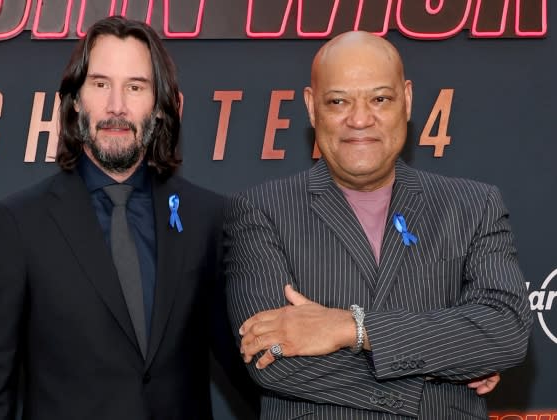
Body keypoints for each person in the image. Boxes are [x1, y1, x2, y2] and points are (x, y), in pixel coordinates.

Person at [224, 31, 532, 419]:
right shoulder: (261, 210)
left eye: (380, 99)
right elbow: (272, 358)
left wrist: (353, 328)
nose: (359, 119)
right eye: (338, 101)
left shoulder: (473, 205)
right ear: (311, 106)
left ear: (407, 99)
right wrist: (444, 372)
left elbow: (504, 332)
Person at [0, 16, 249, 420]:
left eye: (135, 87)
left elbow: (248, 370)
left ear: (162, 107)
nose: (117, 105)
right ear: (75, 100)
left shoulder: (208, 219)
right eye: (100, 84)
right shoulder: (17, 225)